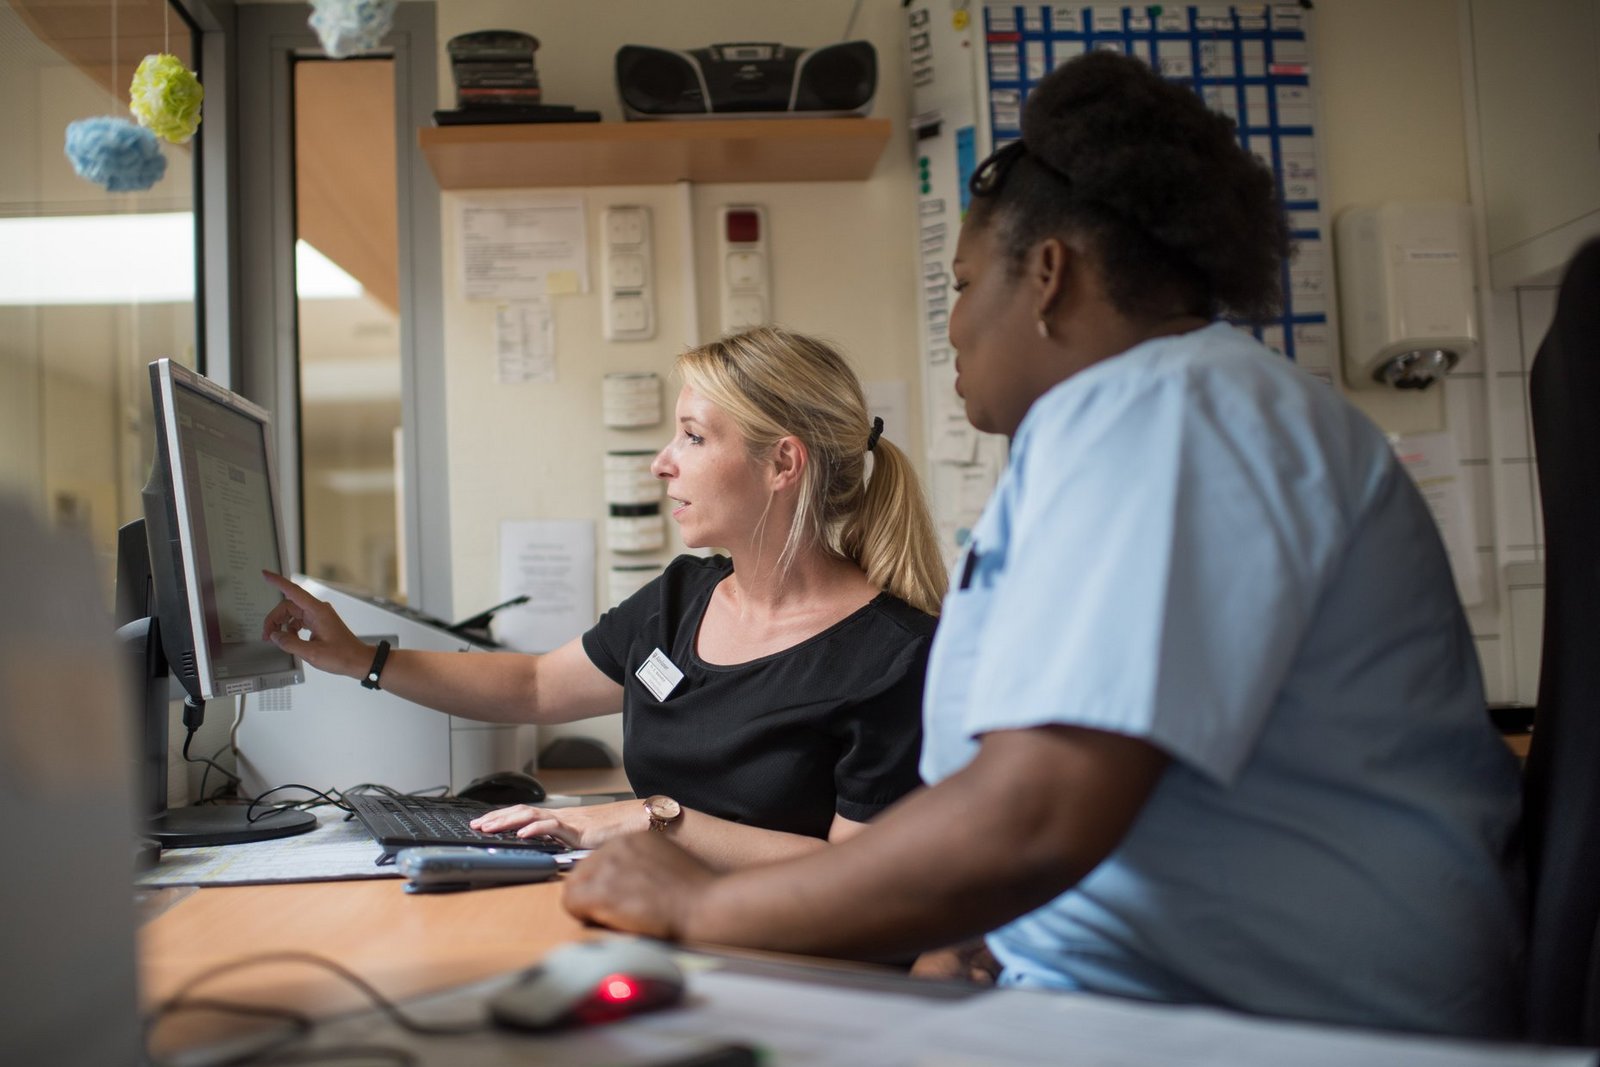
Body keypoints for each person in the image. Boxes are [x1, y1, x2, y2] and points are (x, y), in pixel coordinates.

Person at [561, 51, 1527, 1039]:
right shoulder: (1137, 422)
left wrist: (695, 904)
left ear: (1048, 277)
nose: (952, 322)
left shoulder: (1173, 412)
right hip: (1127, 989)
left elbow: (1034, 816)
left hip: (1290, 1024)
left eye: (965, 281)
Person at [262, 326, 945, 869]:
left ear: (783, 464)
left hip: (791, 965)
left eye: (694, 435)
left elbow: (855, 875)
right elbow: (532, 686)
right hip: (660, 918)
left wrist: (654, 816)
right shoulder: (682, 597)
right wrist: (360, 659)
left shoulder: (893, 656)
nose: (662, 460)